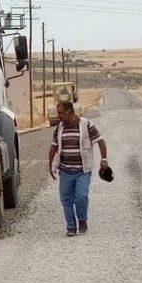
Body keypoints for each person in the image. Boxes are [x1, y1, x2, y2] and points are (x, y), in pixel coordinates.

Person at [48, 101, 109, 236]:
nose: (58, 116)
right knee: (66, 200)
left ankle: (82, 220)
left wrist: (104, 160)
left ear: (69, 111)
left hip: (82, 170)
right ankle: (71, 227)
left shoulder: (86, 125)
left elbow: (100, 140)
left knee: (81, 196)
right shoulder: (58, 128)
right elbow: (53, 147)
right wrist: (50, 166)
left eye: (60, 113)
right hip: (65, 171)